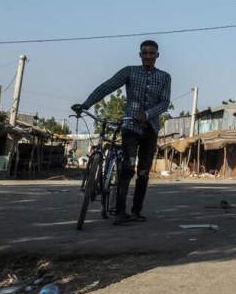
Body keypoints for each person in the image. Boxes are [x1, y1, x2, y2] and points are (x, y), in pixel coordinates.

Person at [71, 40, 171, 225]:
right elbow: (107, 86)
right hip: (130, 128)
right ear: (139, 55)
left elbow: (164, 102)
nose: (148, 56)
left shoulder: (165, 77)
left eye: (152, 53)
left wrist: (148, 114)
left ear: (157, 55)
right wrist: (86, 104)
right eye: (145, 53)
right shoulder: (129, 71)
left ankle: (136, 211)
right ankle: (119, 212)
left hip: (151, 129)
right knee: (127, 168)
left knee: (143, 172)